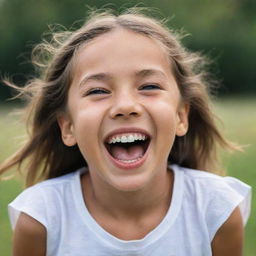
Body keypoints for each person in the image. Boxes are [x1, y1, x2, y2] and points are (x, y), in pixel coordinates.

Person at [0, 8, 251, 256]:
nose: (125, 106)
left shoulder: (216, 210)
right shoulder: (41, 220)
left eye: (149, 86)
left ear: (181, 116)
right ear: (68, 127)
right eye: (98, 91)